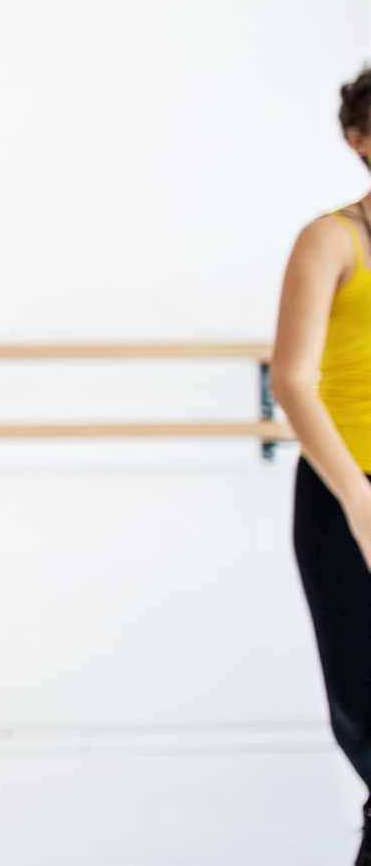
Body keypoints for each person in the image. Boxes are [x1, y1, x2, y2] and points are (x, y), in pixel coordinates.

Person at [270, 65, 371, 866]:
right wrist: (358, 500)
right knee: (368, 719)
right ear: (358, 139)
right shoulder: (333, 238)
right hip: (347, 492)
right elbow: (294, 380)